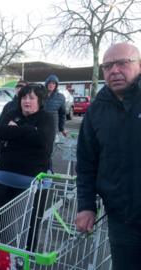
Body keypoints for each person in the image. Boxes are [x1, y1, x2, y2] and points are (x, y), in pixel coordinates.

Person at [76, 43, 141, 270]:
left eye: (123, 63)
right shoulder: (96, 111)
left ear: (139, 65)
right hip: (121, 221)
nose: (114, 70)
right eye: (107, 66)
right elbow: (86, 162)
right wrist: (86, 206)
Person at [0, 83, 55, 251]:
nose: (26, 101)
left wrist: (16, 131)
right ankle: (11, 250)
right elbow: (0, 131)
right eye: (24, 97)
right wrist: (29, 131)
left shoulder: (47, 118)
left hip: (35, 180)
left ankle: (27, 256)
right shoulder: (11, 113)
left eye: (31, 98)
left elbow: (43, 142)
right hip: (3, 175)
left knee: (32, 223)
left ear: (40, 100)